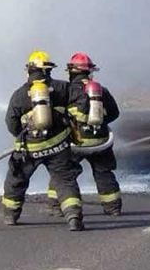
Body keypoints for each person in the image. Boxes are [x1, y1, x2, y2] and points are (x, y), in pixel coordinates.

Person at [2, 51, 85, 231]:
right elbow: (82, 101)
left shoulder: (19, 95)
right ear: (48, 70)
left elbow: (11, 123)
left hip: (29, 149)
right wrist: (69, 119)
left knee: (16, 179)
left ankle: (10, 215)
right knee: (64, 181)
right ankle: (73, 216)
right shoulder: (62, 88)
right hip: (58, 146)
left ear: (29, 70)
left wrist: (23, 134)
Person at [47, 52, 122, 216]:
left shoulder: (66, 91)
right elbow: (114, 113)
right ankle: (113, 208)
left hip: (76, 141)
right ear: (90, 71)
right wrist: (100, 123)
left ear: (71, 72)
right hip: (101, 141)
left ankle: (56, 206)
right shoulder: (102, 91)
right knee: (104, 173)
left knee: (63, 173)